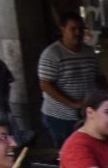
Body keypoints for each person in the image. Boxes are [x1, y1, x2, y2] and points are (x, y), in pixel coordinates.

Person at [37, 12, 102, 146]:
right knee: (65, 151)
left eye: (81, 29)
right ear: (63, 29)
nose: (78, 33)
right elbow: (45, 84)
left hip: (85, 114)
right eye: (73, 29)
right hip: (60, 117)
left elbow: (98, 76)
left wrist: (103, 96)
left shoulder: (89, 51)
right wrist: (72, 103)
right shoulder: (52, 54)